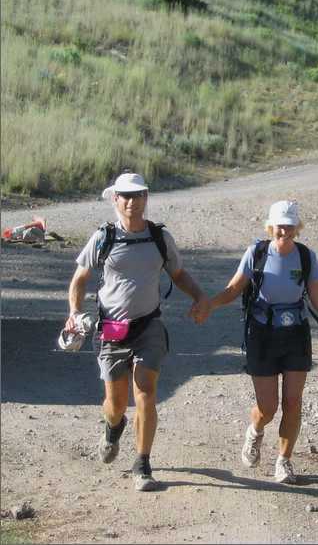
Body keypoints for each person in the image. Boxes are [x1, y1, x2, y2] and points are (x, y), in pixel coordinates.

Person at [64, 172, 210, 492]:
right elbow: (79, 279)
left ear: (146, 198)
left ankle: (142, 463)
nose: (131, 202)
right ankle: (113, 427)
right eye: (125, 196)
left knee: (146, 391)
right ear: (115, 199)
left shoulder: (159, 238)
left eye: (137, 195)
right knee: (115, 404)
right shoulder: (103, 237)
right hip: (111, 329)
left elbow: (179, 273)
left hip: (148, 326)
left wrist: (199, 297)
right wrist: (74, 313)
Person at [195, 200, 318, 484]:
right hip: (262, 335)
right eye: (280, 225)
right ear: (271, 227)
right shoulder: (256, 253)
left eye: (290, 225)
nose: (285, 231)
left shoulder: (306, 257)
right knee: (268, 407)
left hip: (296, 334)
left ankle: (284, 461)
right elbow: (233, 289)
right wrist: (209, 304)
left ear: (297, 228)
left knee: (293, 401)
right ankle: (255, 431)